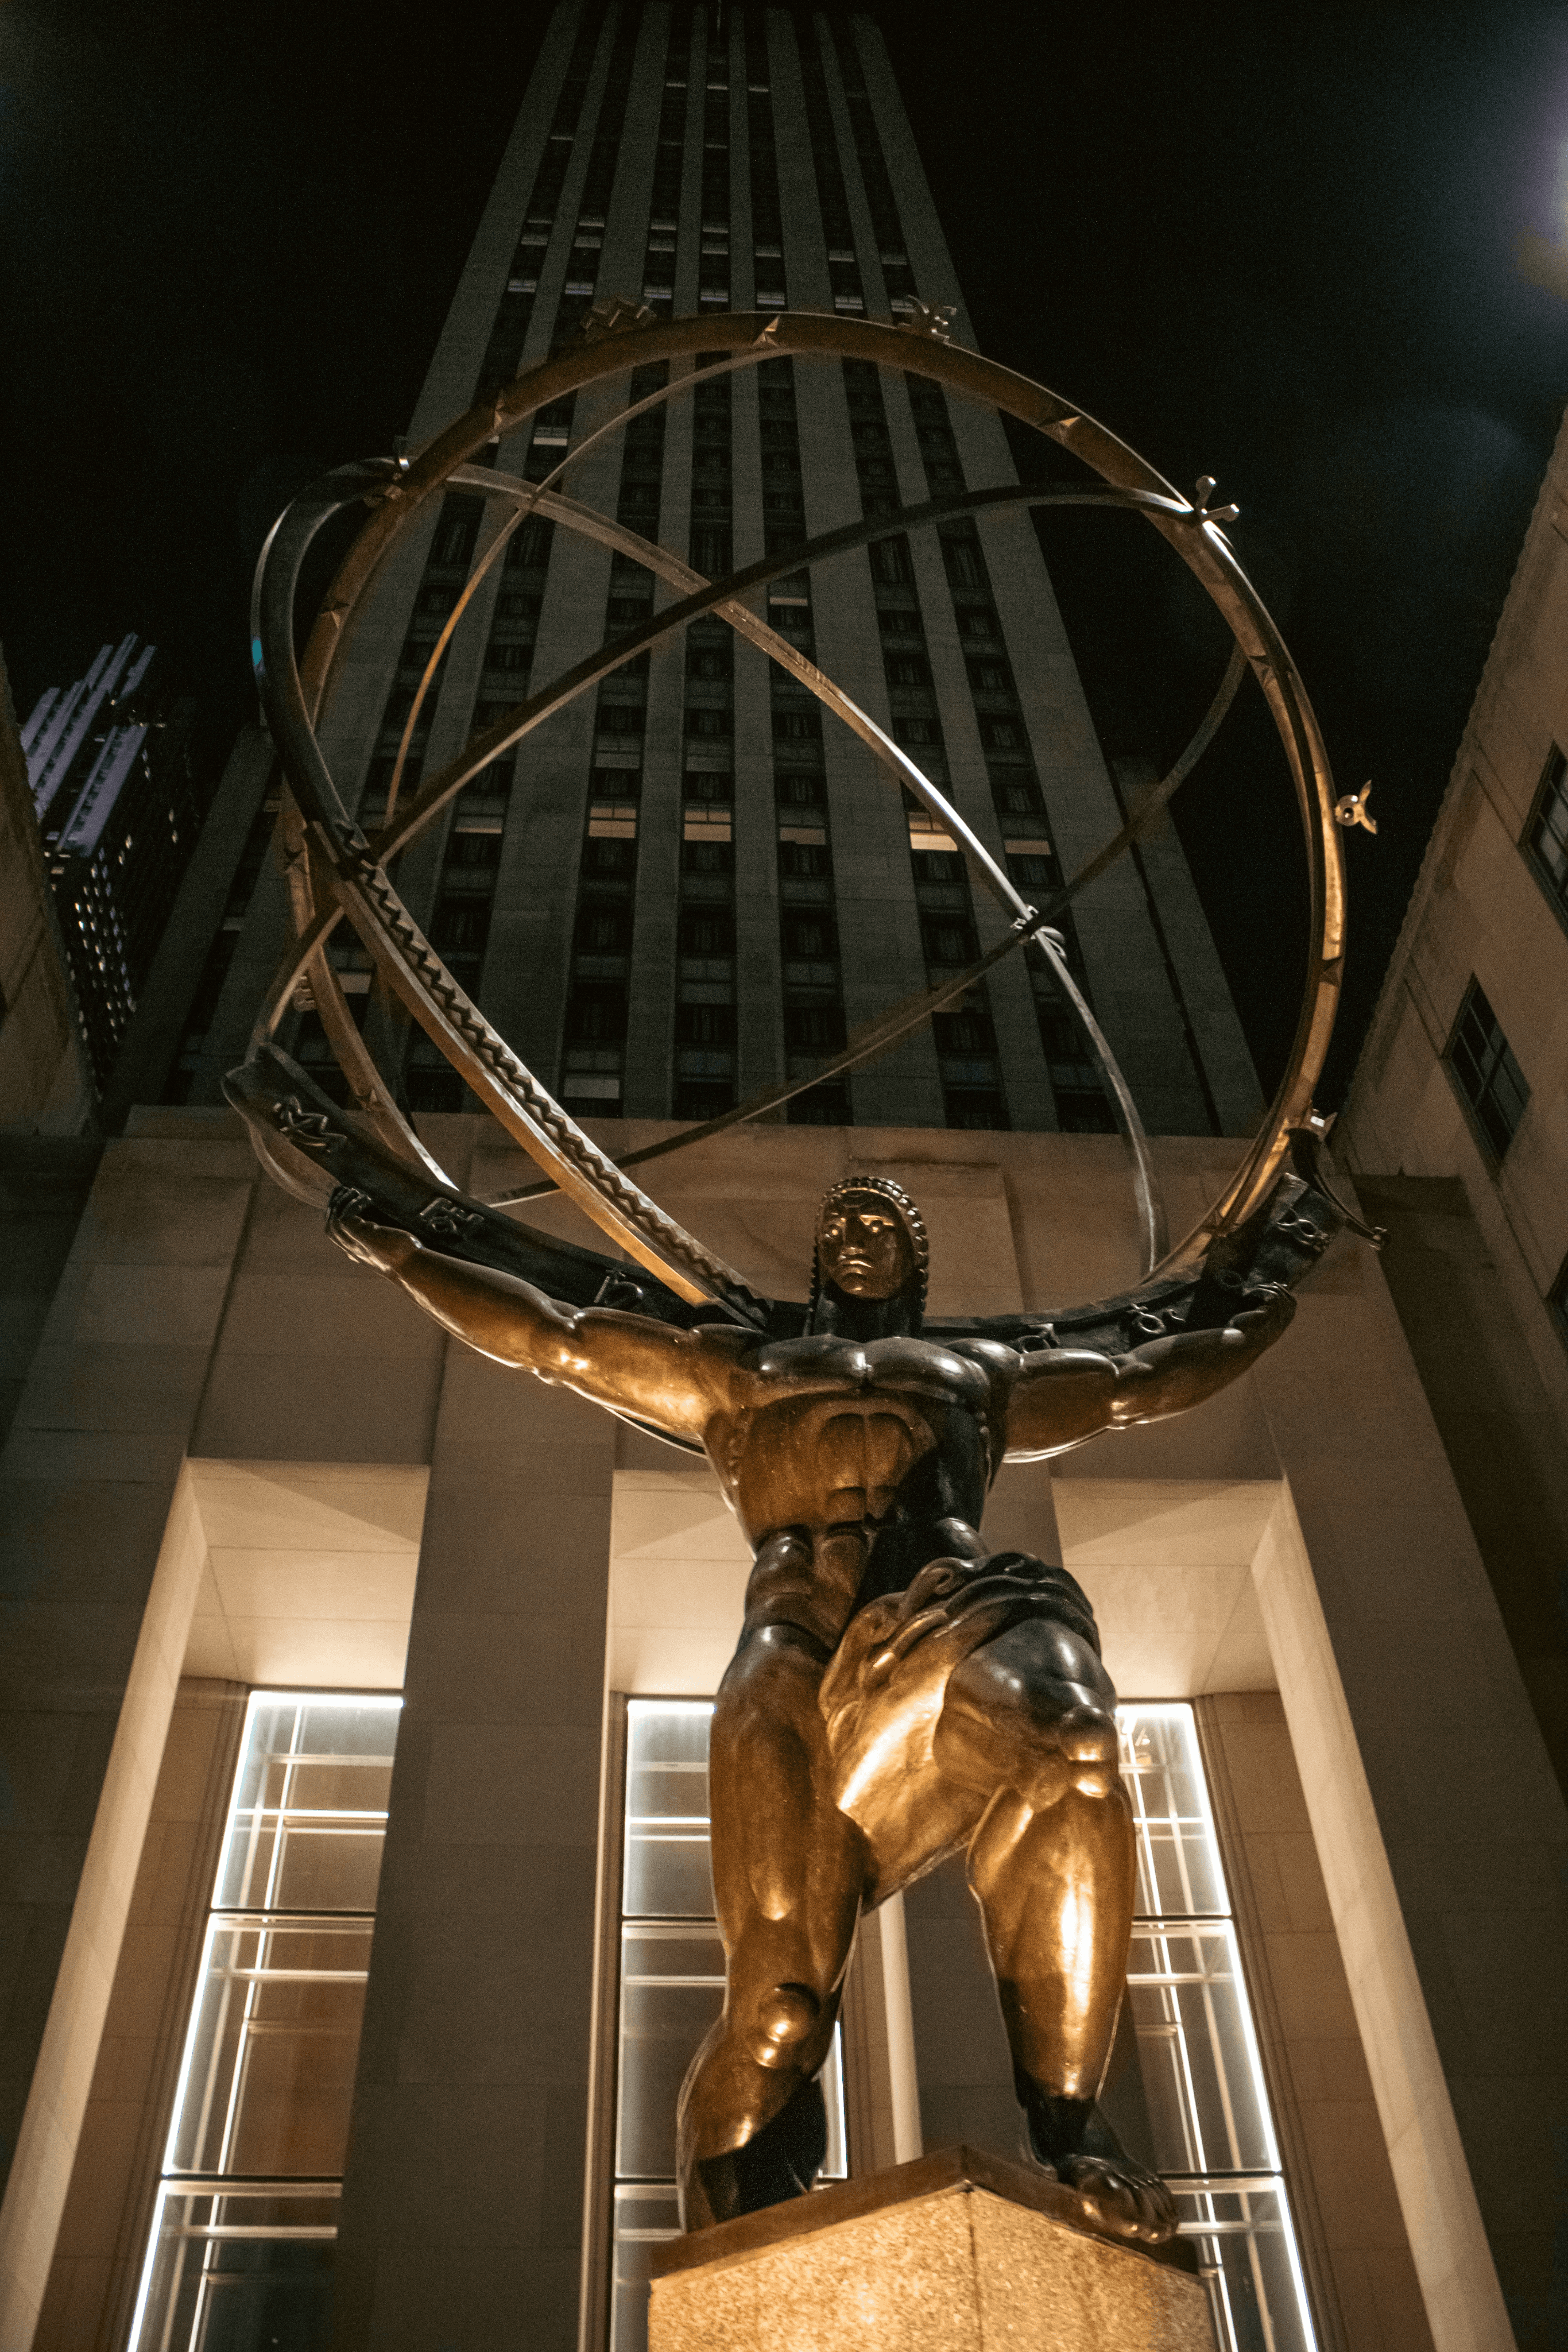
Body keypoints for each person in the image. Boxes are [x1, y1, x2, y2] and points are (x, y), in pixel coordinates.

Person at [327, 1171, 1292, 2242]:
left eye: (886, 1225)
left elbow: (1137, 1381)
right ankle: (733, 2235)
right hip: (792, 1658)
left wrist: (1268, 1298)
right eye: (843, 1223)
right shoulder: (735, 1369)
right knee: (779, 2013)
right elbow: (553, 1338)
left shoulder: (978, 1372)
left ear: (918, 1260)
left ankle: (1070, 2125)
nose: (863, 1235)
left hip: (942, 1619)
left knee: (1066, 1737)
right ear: (817, 1256)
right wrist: (411, 1258)